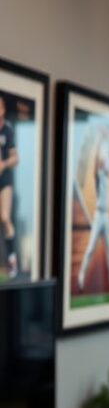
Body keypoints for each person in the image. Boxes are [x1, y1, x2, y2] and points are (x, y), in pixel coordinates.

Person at [77, 126, 109, 291]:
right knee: (90, 248)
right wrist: (99, 139)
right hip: (99, 215)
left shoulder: (107, 178)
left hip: (106, 216)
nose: (107, 162)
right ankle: (81, 275)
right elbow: (97, 159)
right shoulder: (99, 175)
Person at [0, 96, 19, 279]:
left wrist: (4, 164)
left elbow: (15, 158)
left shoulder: (8, 130)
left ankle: (12, 260)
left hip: (4, 180)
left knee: (5, 217)